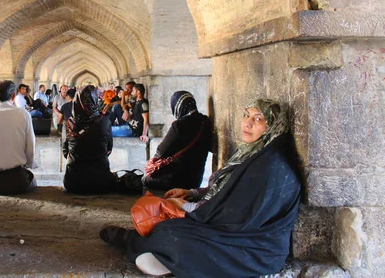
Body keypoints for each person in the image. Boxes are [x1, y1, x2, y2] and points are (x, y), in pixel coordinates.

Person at [100, 99, 302, 277]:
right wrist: (192, 194)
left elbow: (236, 216)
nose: (247, 123)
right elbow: (226, 191)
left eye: (258, 119)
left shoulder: (271, 167)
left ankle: (140, 244)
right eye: (246, 115)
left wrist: (191, 210)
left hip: (256, 248)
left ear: (273, 126)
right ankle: (159, 253)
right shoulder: (253, 153)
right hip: (228, 225)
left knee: (172, 232)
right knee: (170, 227)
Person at [142, 91, 212, 191]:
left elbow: (161, 151)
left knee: (144, 181)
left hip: (174, 180)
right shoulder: (205, 122)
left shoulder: (179, 125)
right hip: (196, 180)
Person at [0, 80, 37, 195]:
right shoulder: (23, 114)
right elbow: (30, 145)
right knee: (31, 180)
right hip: (17, 180)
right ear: (13, 96)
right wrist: (29, 164)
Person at [62, 85, 117, 195]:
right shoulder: (105, 121)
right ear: (95, 100)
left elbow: (65, 152)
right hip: (102, 182)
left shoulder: (68, 124)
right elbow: (109, 149)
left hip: (73, 182)